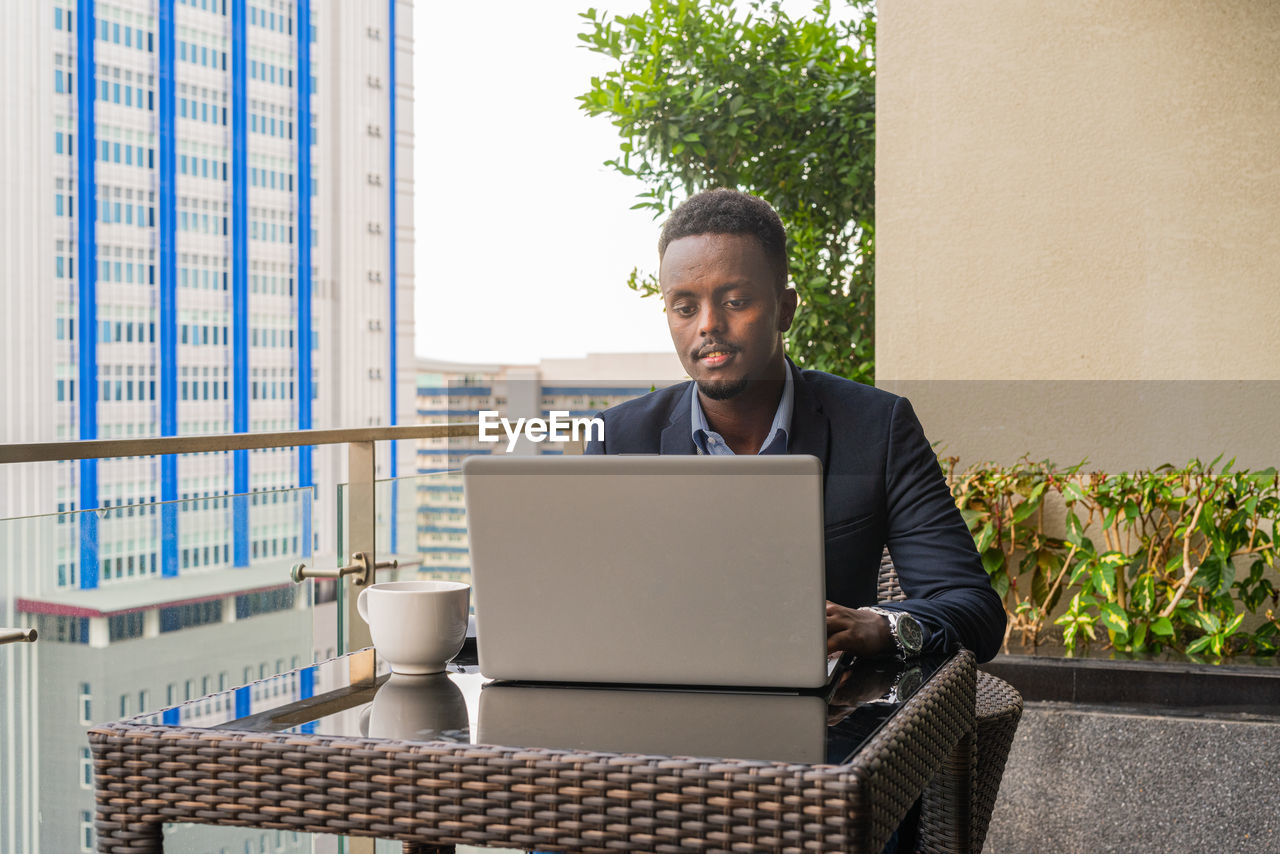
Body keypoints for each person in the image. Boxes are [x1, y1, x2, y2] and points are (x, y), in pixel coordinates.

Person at [585, 188, 1005, 663]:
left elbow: (974, 610)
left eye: (736, 301)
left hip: (824, 720)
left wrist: (880, 625)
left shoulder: (878, 428)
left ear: (785, 308)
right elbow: (583, 606)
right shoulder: (617, 440)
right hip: (657, 708)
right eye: (684, 308)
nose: (708, 325)